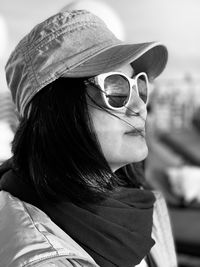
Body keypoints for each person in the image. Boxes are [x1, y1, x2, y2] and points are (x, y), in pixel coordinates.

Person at [0, 9, 177, 267]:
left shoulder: (145, 207)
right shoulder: (36, 258)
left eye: (139, 85)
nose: (139, 106)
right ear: (56, 111)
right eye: (116, 88)